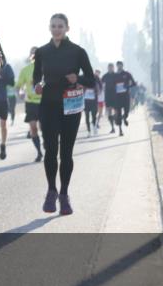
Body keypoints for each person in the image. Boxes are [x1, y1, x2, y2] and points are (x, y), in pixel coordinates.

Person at [32, 13, 95, 216]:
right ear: (49, 28)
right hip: (48, 106)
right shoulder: (42, 52)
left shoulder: (78, 52)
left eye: (60, 26)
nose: (56, 29)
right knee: (50, 150)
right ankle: (51, 191)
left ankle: (64, 195)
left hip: (71, 106)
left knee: (66, 153)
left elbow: (91, 80)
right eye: (53, 26)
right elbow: (36, 78)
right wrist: (38, 85)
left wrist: (78, 78)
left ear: (67, 28)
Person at [15, 46, 44, 162]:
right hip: (31, 103)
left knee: (44, 127)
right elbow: (18, 86)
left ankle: (47, 144)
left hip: (45, 103)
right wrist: (20, 94)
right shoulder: (25, 70)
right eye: (33, 54)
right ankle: (39, 152)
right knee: (33, 128)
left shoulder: (46, 69)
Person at [0, 42, 15, 159]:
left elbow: (12, 82)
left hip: (2, 99)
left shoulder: (6, 67)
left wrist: (1, 77)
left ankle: (3, 145)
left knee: (3, 124)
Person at [113, 61, 138, 129]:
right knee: (119, 112)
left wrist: (127, 86)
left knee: (127, 111)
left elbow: (134, 83)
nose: (119, 67)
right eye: (118, 65)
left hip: (126, 95)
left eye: (120, 65)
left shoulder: (127, 74)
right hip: (117, 96)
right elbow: (111, 85)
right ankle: (120, 130)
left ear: (122, 66)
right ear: (116, 66)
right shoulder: (114, 75)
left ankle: (125, 118)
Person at [83, 68, 101, 137]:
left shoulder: (95, 81)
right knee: (87, 116)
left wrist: (96, 91)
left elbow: (100, 90)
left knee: (94, 116)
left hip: (93, 101)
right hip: (86, 101)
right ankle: (88, 131)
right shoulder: (84, 80)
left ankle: (94, 128)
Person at [101, 63, 118, 134]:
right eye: (109, 67)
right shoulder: (105, 76)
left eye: (112, 67)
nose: (110, 68)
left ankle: (114, 118)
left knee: (117, 111)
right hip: (107, 95)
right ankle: (112, 128)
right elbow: (100, 84)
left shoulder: (116, 75)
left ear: (113, 68)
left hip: (115, 95)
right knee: (109, 112)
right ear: (107, 68)